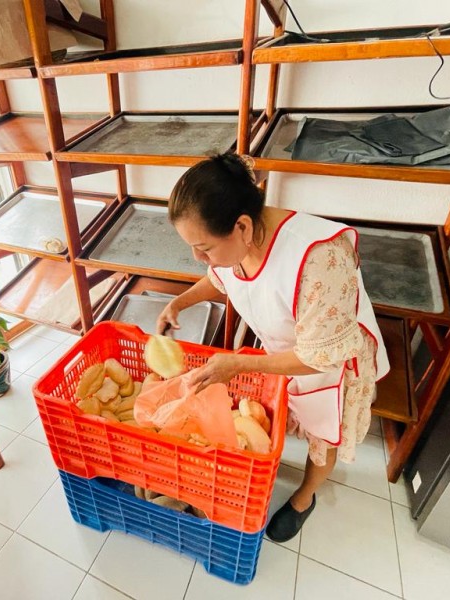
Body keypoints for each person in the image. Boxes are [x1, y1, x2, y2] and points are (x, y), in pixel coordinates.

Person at [157, 153, 390, 542]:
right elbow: (221, 278)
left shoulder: (318, 258)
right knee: (284, 418)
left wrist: (241, 365)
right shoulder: (236, 240)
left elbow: (322, 356)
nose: (197, 258)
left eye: (203, 248)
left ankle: (305, 497)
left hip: (327, 363)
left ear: (242, 226)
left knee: (322, 433)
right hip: (285, 350)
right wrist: (180, 301)